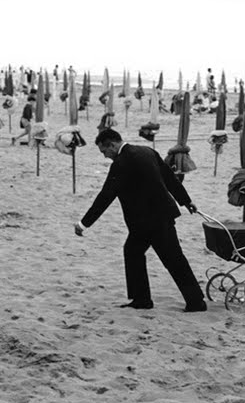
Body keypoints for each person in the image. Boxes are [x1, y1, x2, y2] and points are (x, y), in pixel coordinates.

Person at [74, 129, 207, 312]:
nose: (105, 156)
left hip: (146, 221)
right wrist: (186, 201)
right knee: (143, 254)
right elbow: (170, 178)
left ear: (112, 144)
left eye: (104, 151)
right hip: (160, 215)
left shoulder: (121, 163)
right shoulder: (147, 151)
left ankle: (183, 301)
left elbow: (106, 196)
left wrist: (84, 223)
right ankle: (148, 299)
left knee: (166, 258)